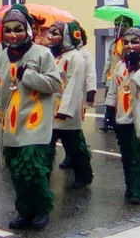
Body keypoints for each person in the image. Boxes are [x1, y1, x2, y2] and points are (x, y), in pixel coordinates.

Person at [0, 4, 61, 230]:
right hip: (11, 125)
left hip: (35, 123)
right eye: (8, 30)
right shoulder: (2, 57)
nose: (12, 35)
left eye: (18, 29)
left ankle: (42, 209)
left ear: (29, 30)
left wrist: (28, 76)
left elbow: (54, 84)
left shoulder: (42, 54)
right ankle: (24, 211)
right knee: (17, 173)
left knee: (33, 170)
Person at [105, 27, 140, 204]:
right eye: (126, 42)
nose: (129, 46)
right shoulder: (120, 65)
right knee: (127, 156)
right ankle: (130, 186)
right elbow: (113, 89)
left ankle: (139, 191)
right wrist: (110, 110)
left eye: (134, 42)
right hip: (123, 117)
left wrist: (136, 66)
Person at [47, 21, 93, 188]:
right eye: (50, 33)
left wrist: (65, 110)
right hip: (51, 110)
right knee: (46, 145)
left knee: (75, 146)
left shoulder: (76, 57)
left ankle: (84, 174)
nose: (50, 37)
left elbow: (73, 85)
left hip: (66, 113)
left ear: (65, 37)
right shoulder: (56, 56)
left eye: (55, 34)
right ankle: (43, 175)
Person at [58, 21, 97, 169]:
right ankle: (69, 155)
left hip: (77, 95)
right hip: (60, 97)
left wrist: (91, 92)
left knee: (73, 129)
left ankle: (78, 156)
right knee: (63, 130)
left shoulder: (83, 54)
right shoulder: (62, 53)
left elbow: (91, 72)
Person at [100, 15, 133, 132]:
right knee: (109, 99)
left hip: (122, 76)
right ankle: (108, 122)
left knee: (119, 100)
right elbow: (109, 60)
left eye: (120, 25)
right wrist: (104, 77)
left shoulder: (128, 43)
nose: (117, 27)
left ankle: (116, 122)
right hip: (111, 76)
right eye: (116, 25)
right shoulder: (114, 43)